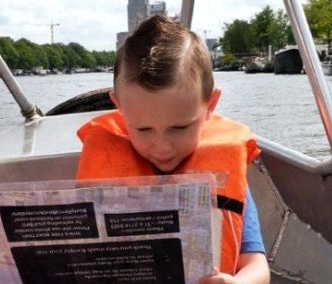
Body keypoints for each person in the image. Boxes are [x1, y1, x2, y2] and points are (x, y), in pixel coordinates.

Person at [76, 15, 270, 283]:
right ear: (119, 106)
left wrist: (238, 282)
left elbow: (258, 265)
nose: (162, 147)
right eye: (143, 130)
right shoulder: (105, 168)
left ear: (210, 106)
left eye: (179, 128)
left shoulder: (222, 176)